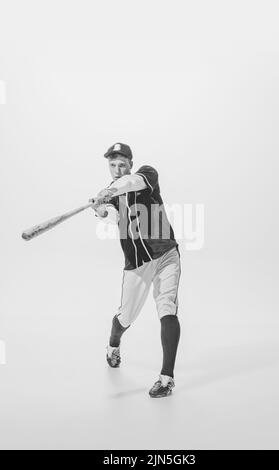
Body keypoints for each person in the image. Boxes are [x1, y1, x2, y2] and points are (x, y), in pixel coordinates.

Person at [90, 143, 181, 398]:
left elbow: (130, 183)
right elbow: (111, 216)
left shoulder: (146, 175)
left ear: (130, 163)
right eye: (112, 164)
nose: (117, 169)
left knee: (167, 309)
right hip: (137, 264)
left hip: (165, 255)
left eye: (122, 164)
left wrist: (107, 190)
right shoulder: (113, 195)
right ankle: (113, 344)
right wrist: (100, 208)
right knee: (125, 318)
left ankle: (166, 378)